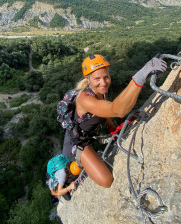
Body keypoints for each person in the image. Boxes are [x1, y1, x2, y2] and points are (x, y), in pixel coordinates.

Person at [62, 54, 167, 188]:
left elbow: (105, 110)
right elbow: (117, 110)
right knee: (106, 180)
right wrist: (142, 74)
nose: (103, 83)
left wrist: (112, 128)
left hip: (86, 136)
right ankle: (66, 180)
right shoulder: (85, 99)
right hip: (76, 143)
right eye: (97, 79)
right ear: (88, 80)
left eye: (106, 77)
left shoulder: (101, 92)